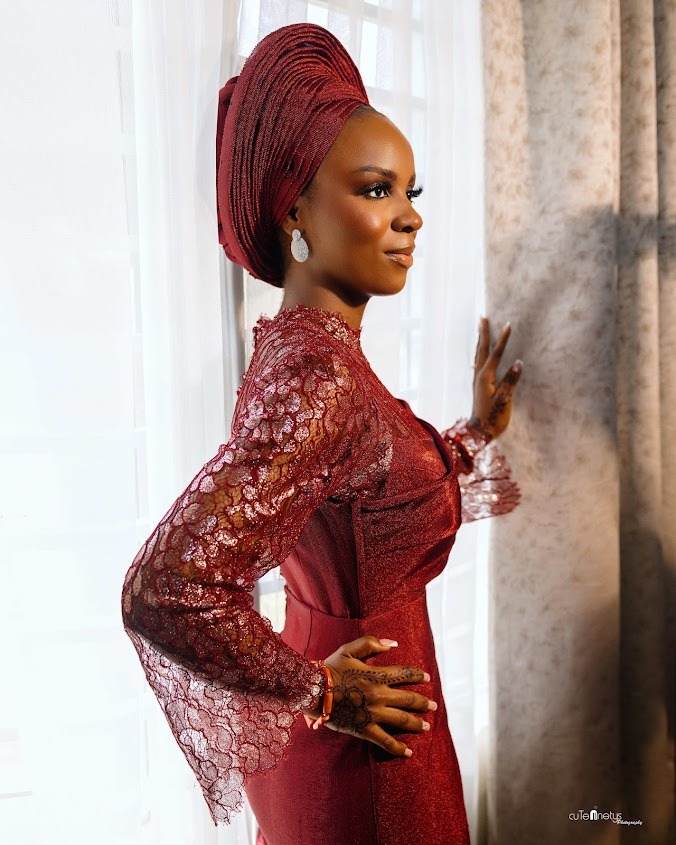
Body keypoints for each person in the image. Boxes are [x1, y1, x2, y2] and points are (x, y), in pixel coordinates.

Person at [121, 22, 523, 845]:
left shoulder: (310, 353)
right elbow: (164, 588)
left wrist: (475, 430)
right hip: (368, 755)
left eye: (413, 193)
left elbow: (368, 500)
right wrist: (322, 691)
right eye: (377, 190)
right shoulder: (319, 375)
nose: (409, 219)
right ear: (295, 203)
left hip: (366, 729)